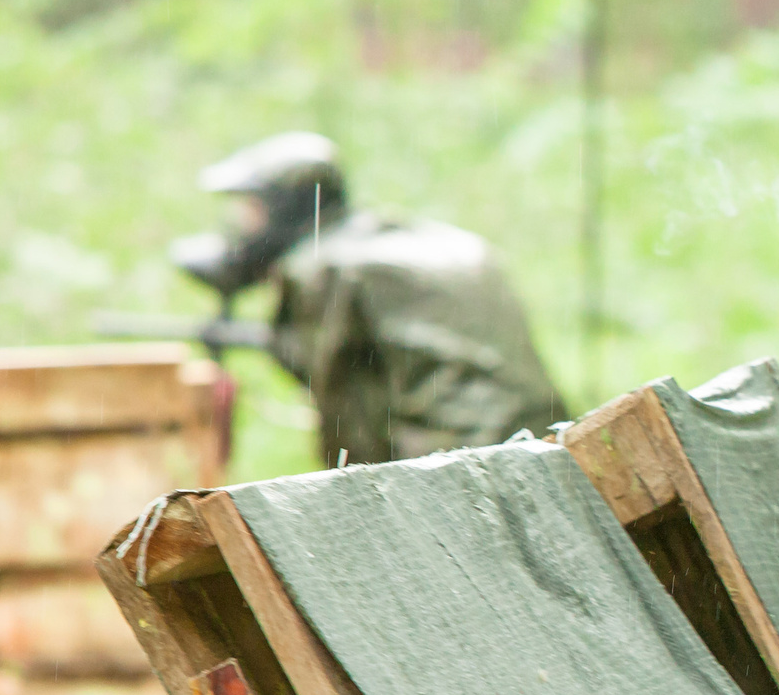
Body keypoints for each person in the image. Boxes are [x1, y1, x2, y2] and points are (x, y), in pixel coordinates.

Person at [169, 132, 570, 465]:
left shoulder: (323, 269)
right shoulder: (409, 241)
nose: (243, 226)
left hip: (462, 467)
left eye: (252, 210)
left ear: (283, 207)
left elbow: (346, 422)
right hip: (544, 447)